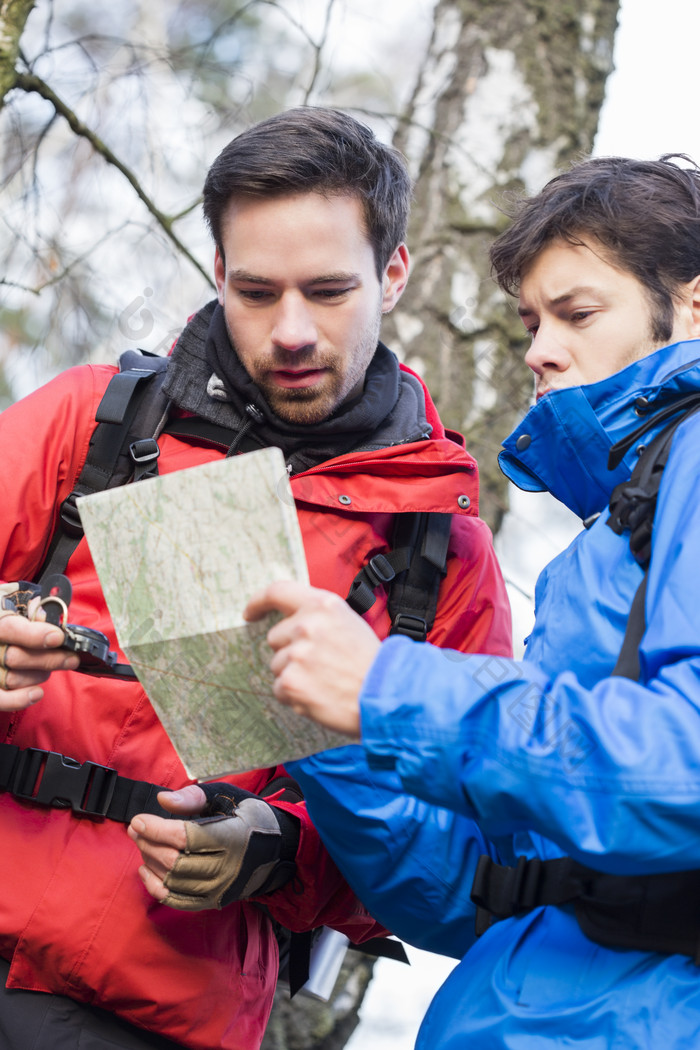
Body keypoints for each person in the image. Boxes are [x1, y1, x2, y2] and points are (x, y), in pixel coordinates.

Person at [0, 107, 511, 1050]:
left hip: (157, 1014)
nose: (289, 332)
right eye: (255, 290)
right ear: (217, 276)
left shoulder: (438, 550)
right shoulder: (94, 422)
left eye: (326, 291)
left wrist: (282, 855)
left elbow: (453, 858)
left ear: (393, 275)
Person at [243, 153, 700, 1049]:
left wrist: (388, 688)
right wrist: (316, 730)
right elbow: (480, 895)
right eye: (531, 321)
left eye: (576, 313)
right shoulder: (608, 537)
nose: (539, 349)